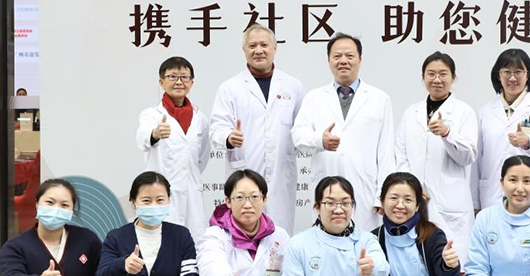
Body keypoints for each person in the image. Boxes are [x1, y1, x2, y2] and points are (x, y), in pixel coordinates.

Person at [292, 34, 395, 231]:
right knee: (325, 242)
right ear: (329, 60)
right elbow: (298, 136)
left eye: (349, 55)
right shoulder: (314, 98)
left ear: (360, 60)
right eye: (337, 56)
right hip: (326, 187)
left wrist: (382, 196)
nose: (343, 61)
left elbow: (386, 153)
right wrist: (319, 140)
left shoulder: (379, 99)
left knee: (363, 244)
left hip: (364, 191)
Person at [209, 24, 305, 234]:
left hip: (281, 176)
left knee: (279, 237)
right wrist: (228, 137)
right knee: (243, 236)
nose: (258, 50)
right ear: (244, 49)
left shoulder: (293, 86)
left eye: (264, 45)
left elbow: (302, 129)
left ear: (275, 48)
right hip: (244, 172)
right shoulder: (230, 88)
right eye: (252, 46)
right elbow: (216, 128)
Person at [396, 51, 477, 262]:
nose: (437, 79)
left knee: (452, 261)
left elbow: (468, 156)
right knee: (418, 261)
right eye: (431, 74)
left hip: (450, 202)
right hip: (416, 200)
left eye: (443, 74)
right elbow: (401, 155)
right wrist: (411, 187)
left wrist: (447, 134)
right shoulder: (411, 113)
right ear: (423, 77)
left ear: (453, 77)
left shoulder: (464, 112)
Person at [473, 49, 530, 214]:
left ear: (528, 75)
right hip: (494, 197)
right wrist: (475, 202)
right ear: (498, 75)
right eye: (506, 72)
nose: (512, 78)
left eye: (518, 72)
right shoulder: (485, 112)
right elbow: (477, 161)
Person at [136, 56, 211, 240]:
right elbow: (143, 138)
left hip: (192, 191)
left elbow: (202, 157)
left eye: (184, 77)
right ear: (161, 82)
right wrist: (155, 134)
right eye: (172, 77)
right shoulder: (151, 115)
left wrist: (188, 174)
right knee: (164, 241)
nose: (179, 82)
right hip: (161, 192)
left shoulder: (200, 118)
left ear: (191, 82)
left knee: (193, 242)